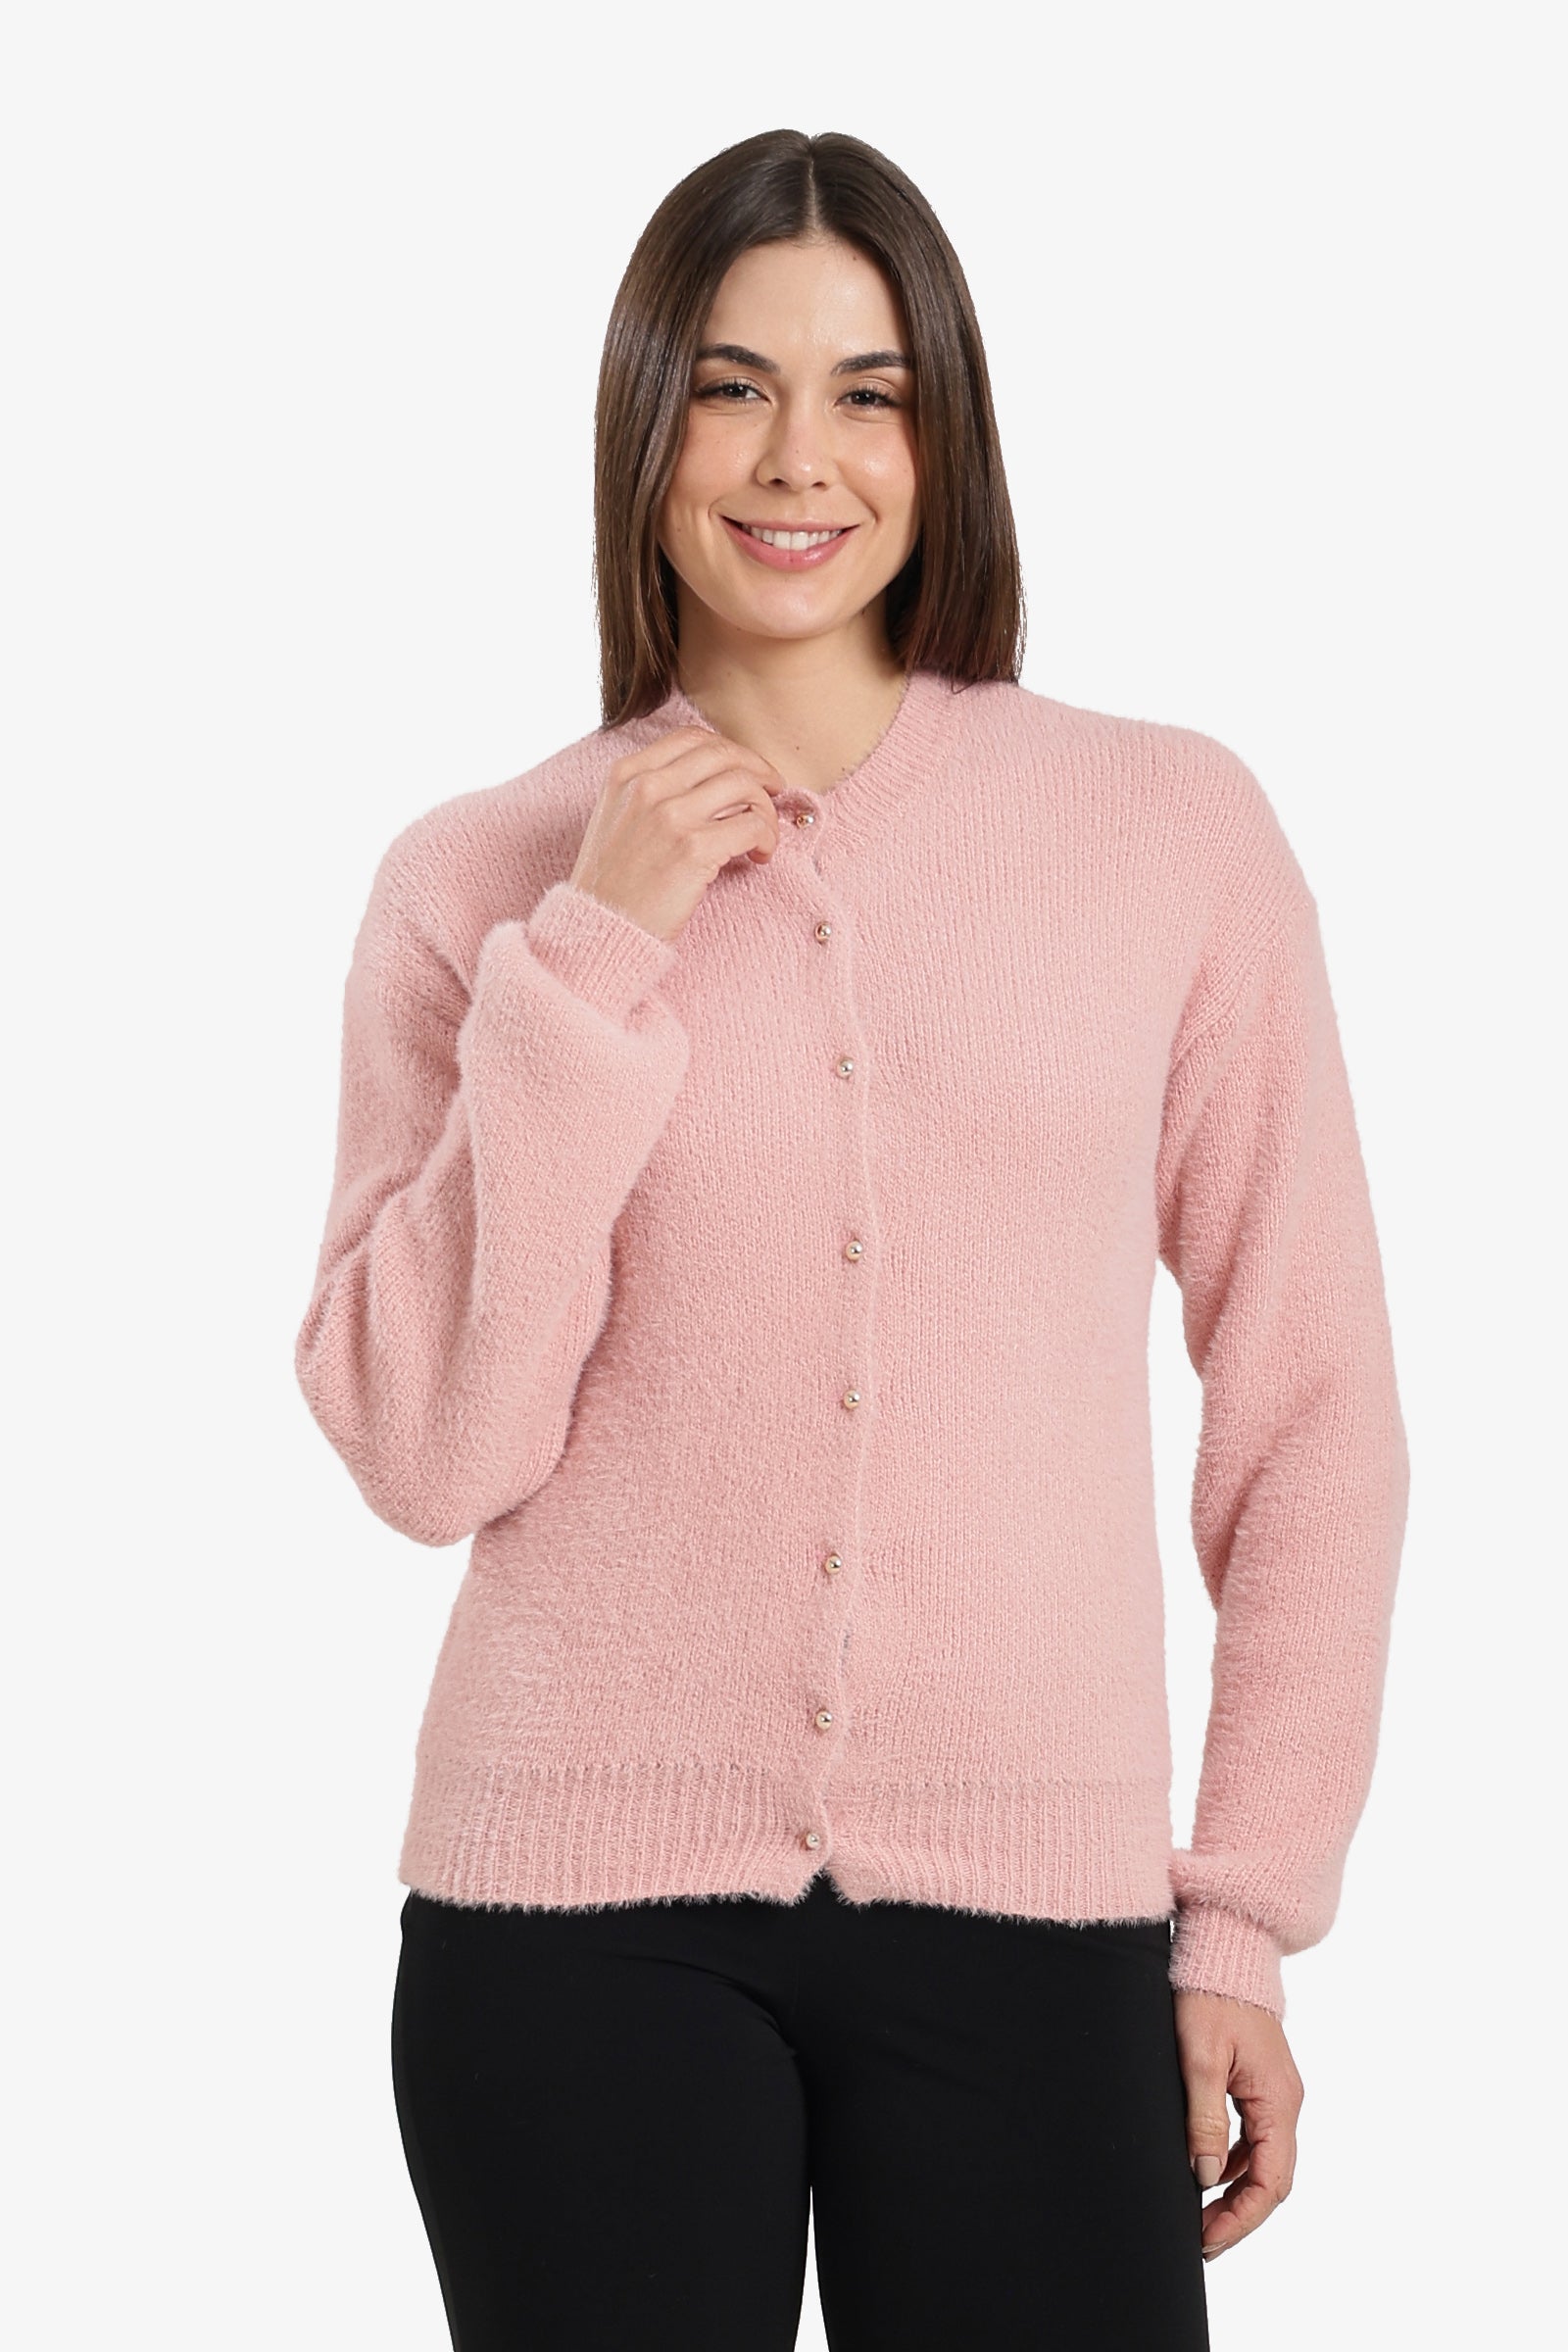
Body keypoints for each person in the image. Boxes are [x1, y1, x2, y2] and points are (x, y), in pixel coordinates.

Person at [294, 127, 1408, 2351]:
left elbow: (1312, 1413)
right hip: (569, 1919)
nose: (796, 457)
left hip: (1041, 1908)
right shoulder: (477, 880)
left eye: (866, 392)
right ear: (643, 427)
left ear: (943, 434)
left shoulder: (1164, 833)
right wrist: (592, 950)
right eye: (729, 386)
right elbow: (426, 1452)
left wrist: (1240, 1919)